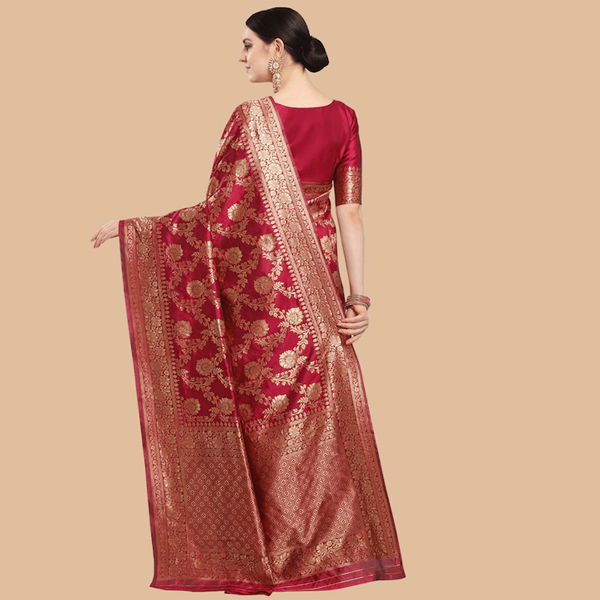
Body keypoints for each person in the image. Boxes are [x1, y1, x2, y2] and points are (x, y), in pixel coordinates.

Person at [90, 7, 406, 595]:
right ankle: (315, 555)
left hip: (258, 307)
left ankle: (265, 556)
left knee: (255, 422)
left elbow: (219, 215)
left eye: (247, 46)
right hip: (320, 301)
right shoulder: (344, 116)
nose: (241, 57)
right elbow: (351, 213)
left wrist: (137, 230)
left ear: (277, 49)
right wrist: (358, 299)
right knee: (314, 423)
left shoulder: (251, 118)